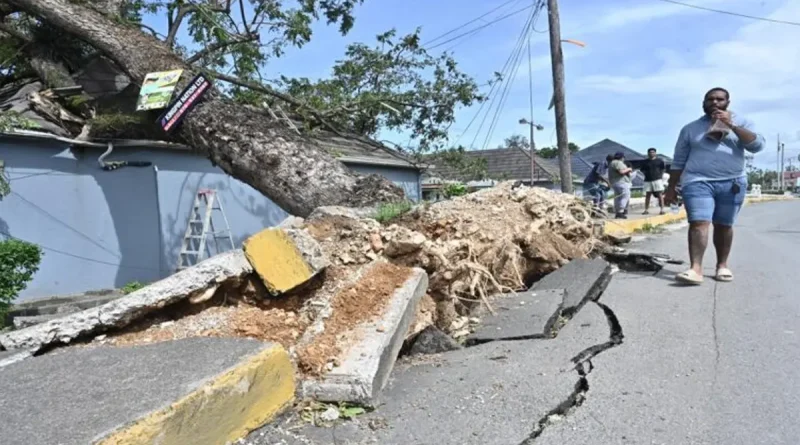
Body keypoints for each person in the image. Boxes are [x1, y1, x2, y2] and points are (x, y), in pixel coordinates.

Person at [664, 87, 765, 284]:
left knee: (724, 225)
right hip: (697, 181)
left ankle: (722, 266)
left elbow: (757, 145)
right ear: (703, 103)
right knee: (698, 222)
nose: (715, 103)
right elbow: (679, 160)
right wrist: (671, 188)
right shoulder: (690, 129)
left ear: (728, 102)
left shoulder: (743, 122)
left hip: (733, 182)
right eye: (710, 99)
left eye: (719, 99)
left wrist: (732, 125)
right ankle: (695, 269)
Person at [642, 148, 666, 215]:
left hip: (657, 179)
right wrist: (647, 174)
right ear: (648, 153)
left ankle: (662, 209)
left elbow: (663, 169)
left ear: (655, 153)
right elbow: (642, 170)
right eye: (650, 152)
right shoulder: (645, 162)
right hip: (648, 180)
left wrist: (660, 176)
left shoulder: (659, 161)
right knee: (648, 195)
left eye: (653, 152)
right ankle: (646, 209)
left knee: (659, 195)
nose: (651, 153)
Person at [609, 152, 633, 219]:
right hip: (621, 182)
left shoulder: (611, 163)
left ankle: (617, 212)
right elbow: (621, 172)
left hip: (614, 182)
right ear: (622, 157)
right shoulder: (618, 162)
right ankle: (620, 211)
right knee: (626, 195)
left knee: (617, 197)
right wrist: (629, 169)